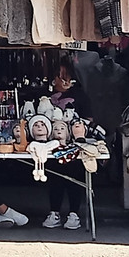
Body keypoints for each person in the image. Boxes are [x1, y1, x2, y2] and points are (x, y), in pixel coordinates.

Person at [42, 56, 92, 230]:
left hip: (73, 144)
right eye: (60, 75)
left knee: (74, 177)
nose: (64, 79)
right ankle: (54, 212)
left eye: (67, 75)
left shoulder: (79, 95)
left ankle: (74, 214)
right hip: (52, 144)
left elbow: (89, 118)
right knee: (55, 177)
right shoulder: (46, 95)